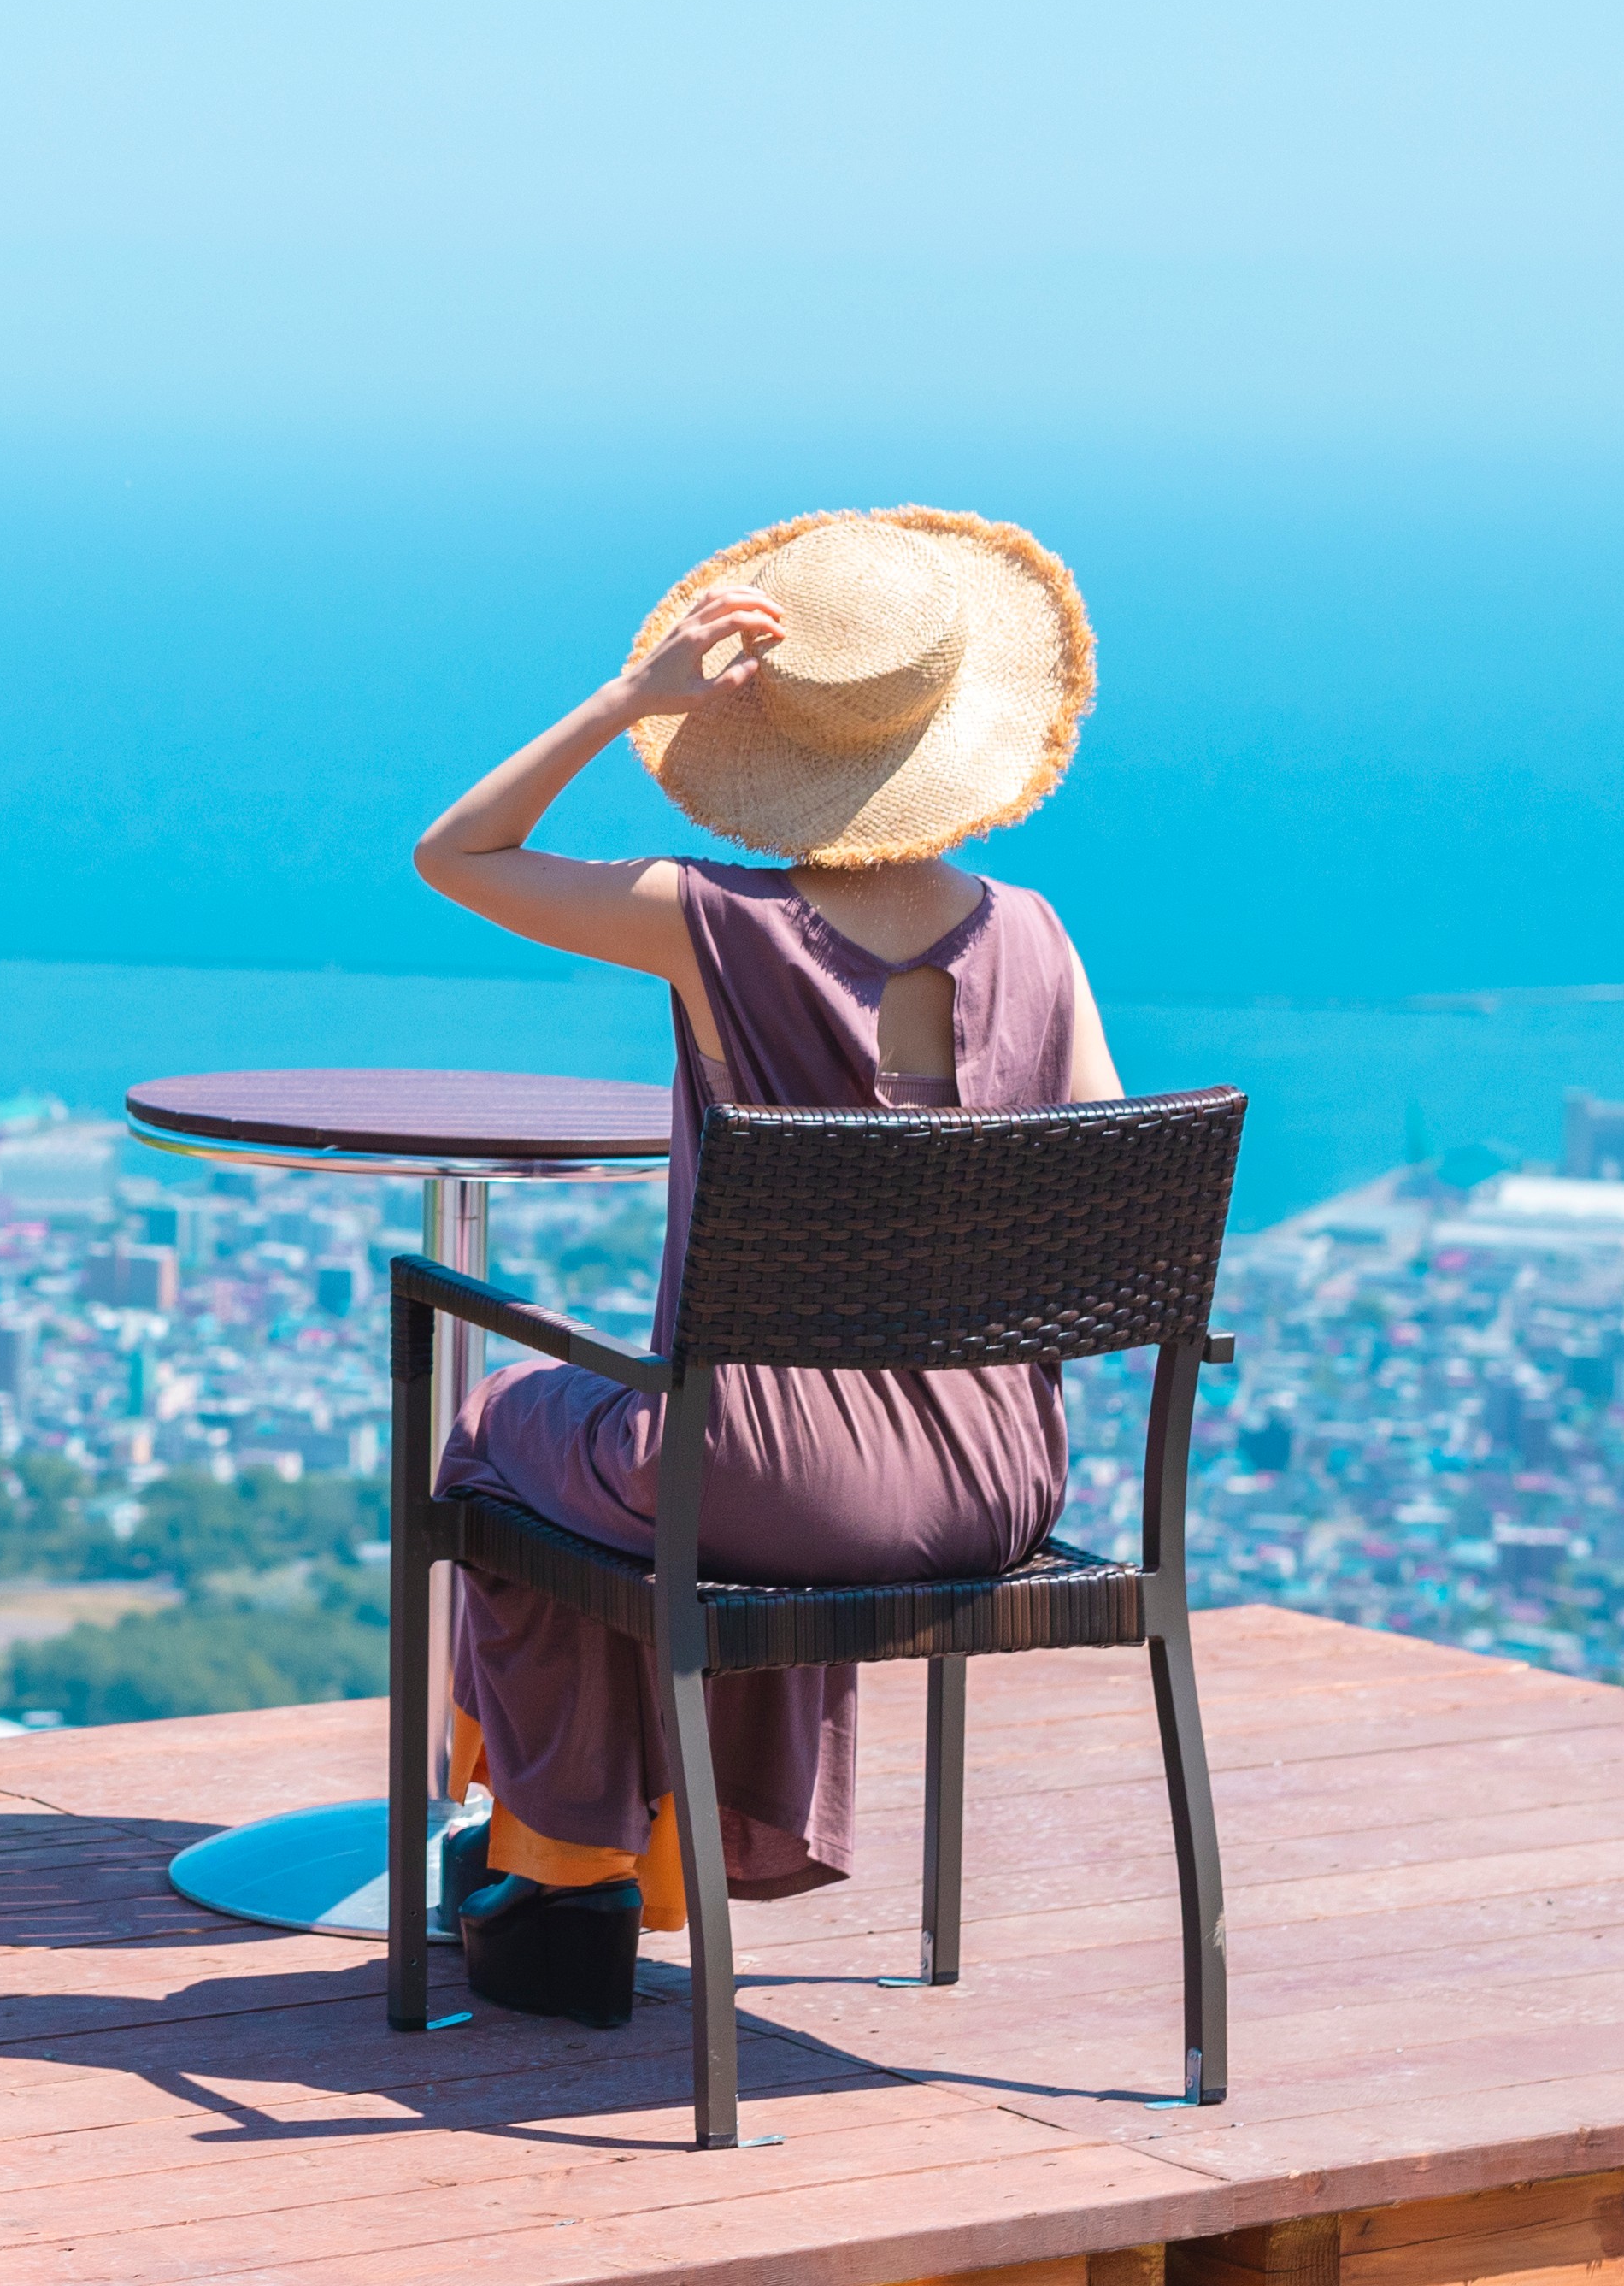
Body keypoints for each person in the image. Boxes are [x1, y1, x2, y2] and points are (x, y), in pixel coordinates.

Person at [404, 504, 1121, 2026]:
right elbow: (1095, 1212)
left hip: (767, 1489)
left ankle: (564, 1871)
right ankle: (614, 1867)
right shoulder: (1041, 940)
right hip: (1000, 1486)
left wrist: (627, 702)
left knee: (497, 1442)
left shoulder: (709, 921)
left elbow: (457, 853)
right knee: (682, 1466)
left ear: (771, 742)